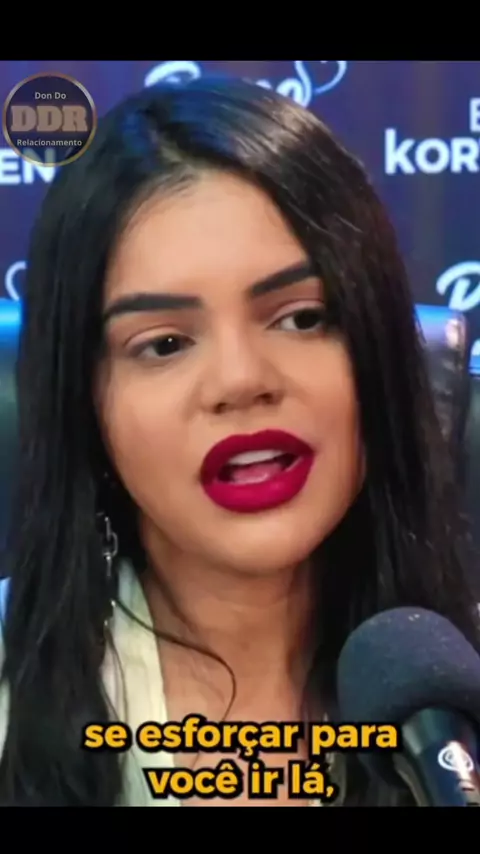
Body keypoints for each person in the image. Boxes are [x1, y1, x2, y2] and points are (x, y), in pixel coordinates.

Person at [0, 77, 478, 808]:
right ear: (86, 404)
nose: (241, 380)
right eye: (164, 344)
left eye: (302, 318)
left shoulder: (454, 708)